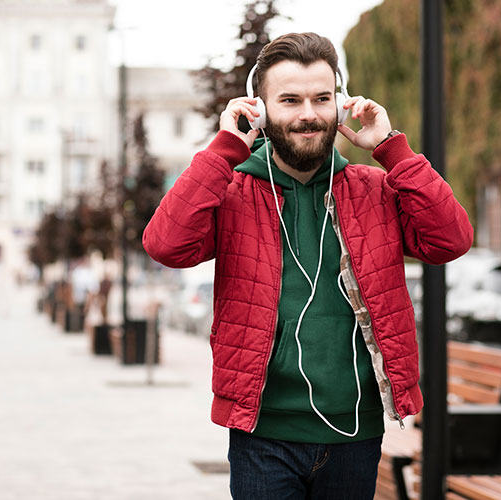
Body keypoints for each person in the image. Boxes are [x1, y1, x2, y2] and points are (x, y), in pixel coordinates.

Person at [143, 32, 473, 499]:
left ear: (340, 104)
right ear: (259, 109)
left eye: (322, 98)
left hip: (355, 433)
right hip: (263, 434)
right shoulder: (232, 190)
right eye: (290, 100)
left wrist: (393, 150)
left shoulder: (376, 189)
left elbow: (451, 239)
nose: (308, 115)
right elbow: (165, 245)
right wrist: (223, 150)